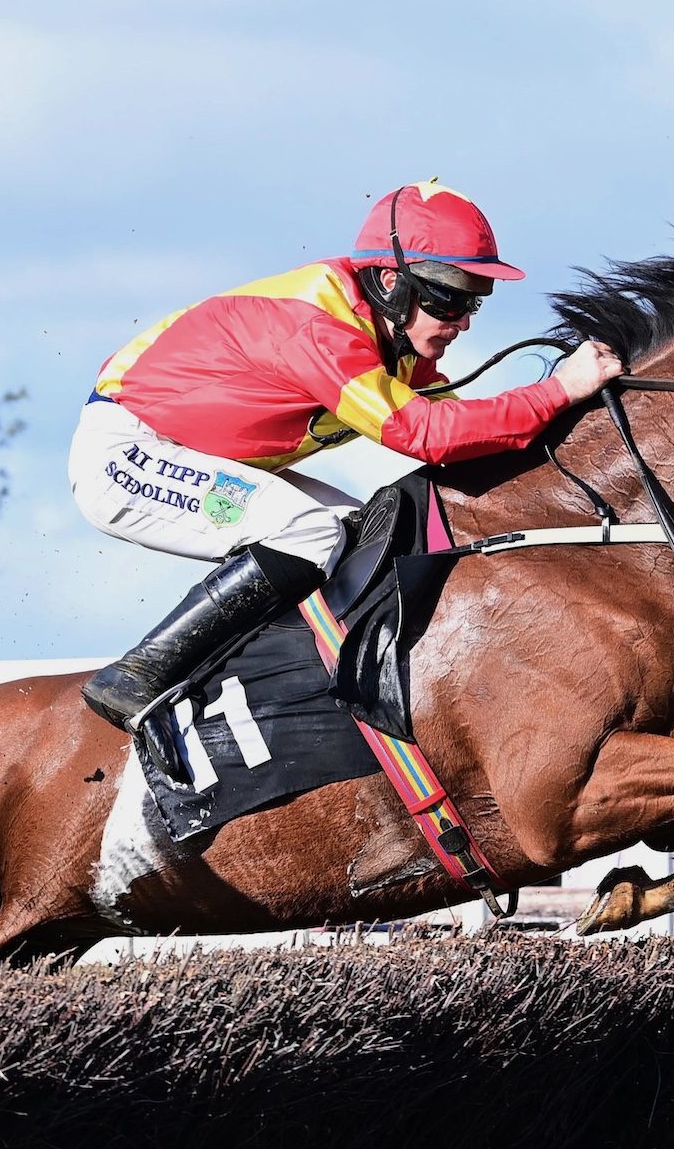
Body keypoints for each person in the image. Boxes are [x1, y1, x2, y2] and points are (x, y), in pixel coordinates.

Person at [69, 180, 625, 764]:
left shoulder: (390, 332)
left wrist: (571, 410)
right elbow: (428, 437)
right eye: (449, 300)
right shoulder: (322, 329)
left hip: (202, 457)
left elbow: (467, 429)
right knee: (307, 533)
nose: (462, 322)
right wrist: (559, 390)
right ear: (392, 282)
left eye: (474, 302)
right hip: (128, 452)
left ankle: (290, 685)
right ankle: (137, 677)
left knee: (360, 537)